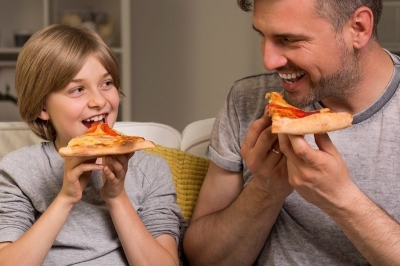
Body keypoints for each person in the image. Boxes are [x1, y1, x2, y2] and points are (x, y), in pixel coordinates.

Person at [183, 0, 400, 265]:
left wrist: (341, 198)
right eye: (263, 36)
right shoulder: (247, 100)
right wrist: (265, 189)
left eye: (289, 39)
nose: (269, 60)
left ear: (358, 28)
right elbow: (203, 260)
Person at [0, 24, 184, 266]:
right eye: (77, 89)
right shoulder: (19, 170)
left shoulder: (152, 171)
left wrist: (117, 198)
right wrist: (65, 197)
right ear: (42, 107)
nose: (99, 101)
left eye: (106, 83)